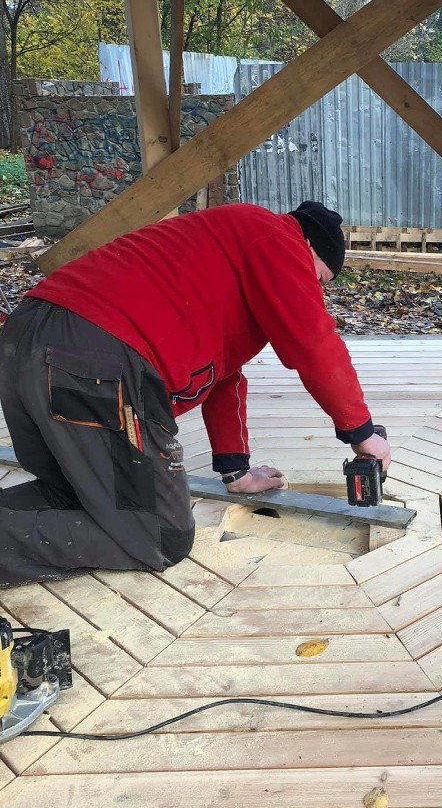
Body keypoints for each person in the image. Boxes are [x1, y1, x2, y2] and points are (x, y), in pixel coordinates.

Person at [0, 201, 391, 589]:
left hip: (24, 341)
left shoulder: (226, 249)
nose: (315, 292)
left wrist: (235, 470)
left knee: (75, 492)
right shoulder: (277, 238)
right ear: (309, 247)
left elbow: (224, 377)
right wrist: (362, 433)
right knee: (159, 535)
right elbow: (313, 342)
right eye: (319, 280)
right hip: (91, 361)